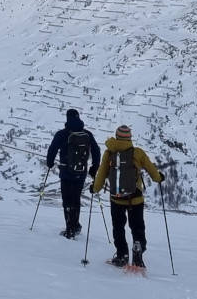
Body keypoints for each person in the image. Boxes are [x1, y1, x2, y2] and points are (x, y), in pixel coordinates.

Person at [90, 124, 164, 268]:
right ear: (130, 138)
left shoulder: (109, 153)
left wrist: (95, 188)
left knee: (118, 227)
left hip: (116, 199)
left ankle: (122, 255)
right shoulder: (138, 153)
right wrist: (159, 178)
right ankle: (138, 249)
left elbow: (101, 175)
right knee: (137, 227)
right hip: (135, 198)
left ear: (116, 136)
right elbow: (152, 171)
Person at [45, 109, 101, 239]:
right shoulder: (87, 134)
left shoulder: (62, 134)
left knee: (67, 199)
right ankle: (75, 225)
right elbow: (96, 151)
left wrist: (50, 163)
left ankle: (70, 227)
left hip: (66, 171)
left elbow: (52, 149)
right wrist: (94, 168)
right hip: (81, 172)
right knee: (76, 198)